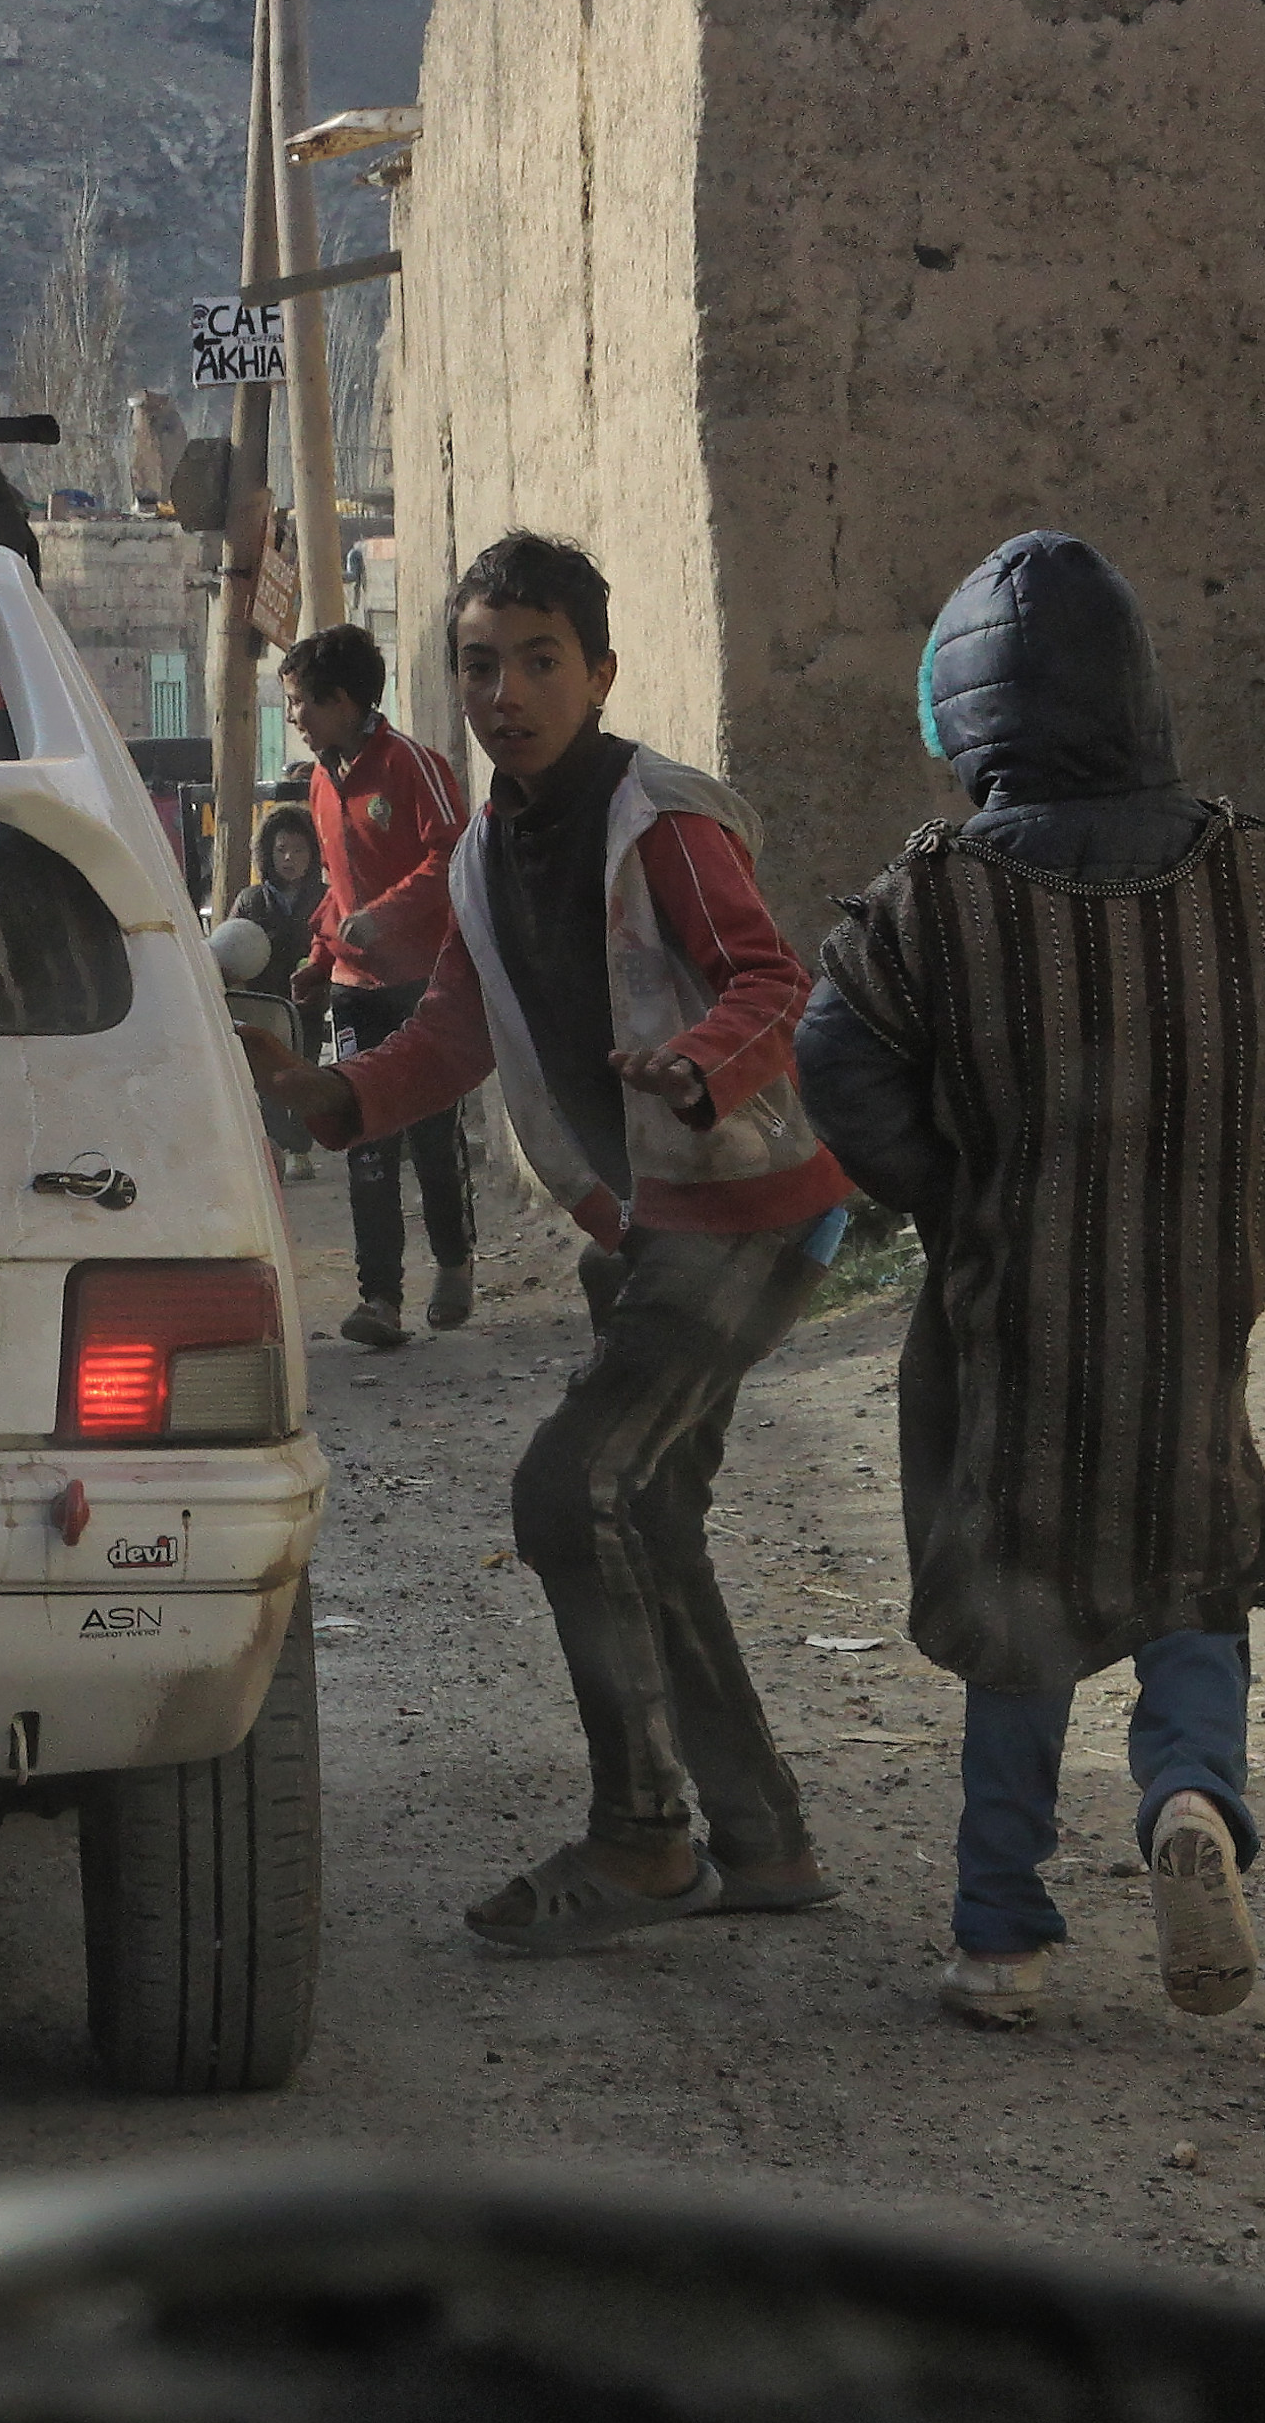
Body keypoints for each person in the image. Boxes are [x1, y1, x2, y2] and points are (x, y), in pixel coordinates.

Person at [794, 531, 1265, 2031]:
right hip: (1194, 1312)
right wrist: (1246, 1175)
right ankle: (1191, 1796)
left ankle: (1000, 1934)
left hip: (1018, 1330)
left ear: (970, 714)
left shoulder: (936, 899)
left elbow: (835, 1054)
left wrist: (958, 1190)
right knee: (1195, 1572)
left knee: (1017, 1619)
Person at [245, 535, 856, 1952]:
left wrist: (697, 1063)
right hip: (646, 1225)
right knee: (645, 1511)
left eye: (537, 662)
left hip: (745, 1211)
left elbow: (773, 979)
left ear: (599, 674)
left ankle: (644, 1836)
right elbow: (455, 1030)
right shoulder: (481, 857)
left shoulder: (659, 822)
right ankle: (761, 1839)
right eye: (479, 666)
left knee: (568, 1488)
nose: (505, 693)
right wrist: (333, 1096)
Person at [276, 623, 477, 1348]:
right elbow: (338, 890)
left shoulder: (410, 765)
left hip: (426, 987)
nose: (295, 717)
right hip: (355, 991)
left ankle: (453, 1262)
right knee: (366, 1141)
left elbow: (452, 855)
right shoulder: (319, 782)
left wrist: (384, 917)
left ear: (342, 700)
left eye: (301, 702)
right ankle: (380, 1299)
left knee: (432, 1139)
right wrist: (319, 958)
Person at [230, 809, 330, 1179]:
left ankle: (301, 1149)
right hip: (264, 1005)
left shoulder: (325, 899)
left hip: (308, 1005)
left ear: (313, 854)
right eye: (281, 850)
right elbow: (231, 947)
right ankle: (277, 1145)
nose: (289, 858)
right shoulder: (250, 901)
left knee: (305, 1071)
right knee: (268, 1077)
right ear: (267, 855)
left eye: (299, 850)